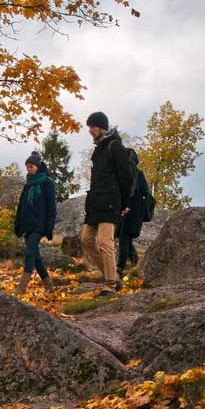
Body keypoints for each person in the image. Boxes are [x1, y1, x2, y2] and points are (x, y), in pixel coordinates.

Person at [80, 112, 135, 295]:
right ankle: (113, 276)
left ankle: (110, 284)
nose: (90, 130)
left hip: (111, 202)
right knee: (86, 240)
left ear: (101, 127)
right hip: (95, 203)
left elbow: (126, 176)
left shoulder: (114, 146)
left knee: (105, 242)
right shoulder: (98, 149)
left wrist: (126, 202)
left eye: (92, 126)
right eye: (89, 127)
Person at [14, 151, 57, 294]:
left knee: (29, 251)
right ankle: (49, 287)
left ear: (38, 166)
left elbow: (51, 207)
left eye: (31, 166)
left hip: (39, 225)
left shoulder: (47, 183)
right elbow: (22, 206)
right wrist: (18, 225)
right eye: (27, 167)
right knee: (36, 256)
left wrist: (49, 227)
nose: (29, 169)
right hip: (27, 224)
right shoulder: (28, 184)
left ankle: (22, 287)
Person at [118, 148, 150, 275]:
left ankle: (120, 267)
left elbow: (144, 193)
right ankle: (133, 260)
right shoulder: (135, 174)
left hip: (132, 210)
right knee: (125, 237)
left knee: (124, 237)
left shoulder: (132, 175)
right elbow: (144, 192)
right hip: (130, 210)